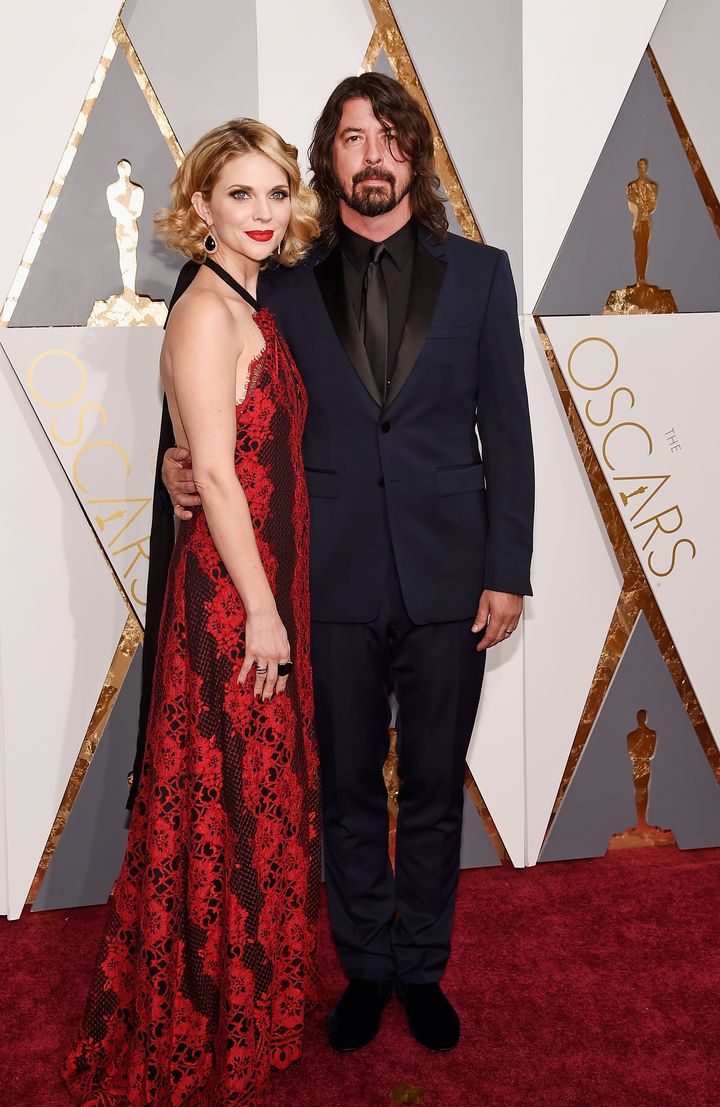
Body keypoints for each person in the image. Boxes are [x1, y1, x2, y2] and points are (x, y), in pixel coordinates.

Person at [154, 74, 535, 1057]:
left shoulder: (484, 275)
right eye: (353, 138)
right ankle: (367, 965)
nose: (373, 156)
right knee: (350, 790)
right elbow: (234, 413)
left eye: (391, 138)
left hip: (455, 576)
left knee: (437, 784)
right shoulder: (272, 281)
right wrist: (181, 465)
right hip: (323, 577)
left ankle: (424, 967)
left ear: (415, 155)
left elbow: (511, 433)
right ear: (328, 158)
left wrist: (509, 566)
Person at [62, 119, 322, 1107]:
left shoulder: (247, 298)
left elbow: (210, 457)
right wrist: (260, 608)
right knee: (225, 800)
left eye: (276, 194)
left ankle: (240, 1010)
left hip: (261, 584)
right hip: (232, 602)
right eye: (242, 195)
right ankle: (205, 1019)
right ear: (200, 206)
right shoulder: (207, 312)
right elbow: (212, 470)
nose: (263, 213)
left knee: (245, 803)